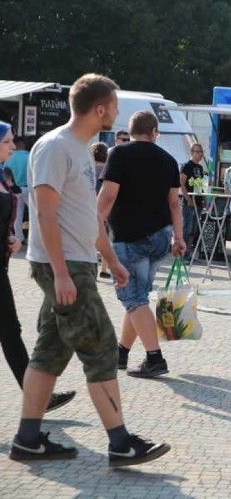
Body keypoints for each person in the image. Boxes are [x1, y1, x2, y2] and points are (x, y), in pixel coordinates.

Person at [10, 73, 170, 466]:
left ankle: (28, 439)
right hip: (64, 267)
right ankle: (120, 443)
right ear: (99, 109)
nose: (116, 112)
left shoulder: (81, 149)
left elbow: (87, 216)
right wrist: (62, 273)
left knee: (49, 351)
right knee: (101, 346)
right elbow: (44, 214)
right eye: (114, 105)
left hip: (76, 263)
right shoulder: (55, 147)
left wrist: (111, 260)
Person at [98, 110, 185, 379]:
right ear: (154, 132)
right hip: (160, 237)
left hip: (129, 236)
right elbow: (174, 203)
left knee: (133, 298)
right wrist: (179, 237)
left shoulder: (119, 154)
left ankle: (154, 358)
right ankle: (121, 353)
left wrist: (94, 220)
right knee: (139, 298)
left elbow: (109, 195)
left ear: (131, 130)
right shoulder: (169, 160)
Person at [0, 122, 77, 414]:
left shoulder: (3, 174)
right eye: (7, 141)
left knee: (10, 331)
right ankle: (38, 398)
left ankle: (38, 397)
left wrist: (8, 239)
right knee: (10, 331)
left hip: (3, 265)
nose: (12, 146)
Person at [180, 143, 207, 257]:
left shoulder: (200, 168)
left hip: (198, 201)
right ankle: (182, 252)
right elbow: (181, 183)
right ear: (192, 152)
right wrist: (188, 198)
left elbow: (200, 184)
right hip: (189, 202)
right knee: (187, 228)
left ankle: (188, 252)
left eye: (201, 152)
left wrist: (203, 197)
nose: (200, 154)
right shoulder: (186, 166)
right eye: (198, 152)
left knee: (194, 229)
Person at [90, 142, 110, 279]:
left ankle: (92, 269)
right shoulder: (108, 171)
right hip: (105, 210)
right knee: (105, 239)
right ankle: (104, 269)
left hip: (90, 208)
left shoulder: (89, 170)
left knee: (91, 240)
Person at [5, 136, 29, 243]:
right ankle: (32, 238)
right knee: (35, 214)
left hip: (15, 189)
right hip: (29, 188)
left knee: (17, 215)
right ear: (23, 144)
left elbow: (5, 173)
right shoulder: (30, 156)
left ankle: (19, 237)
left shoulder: (9, 157)